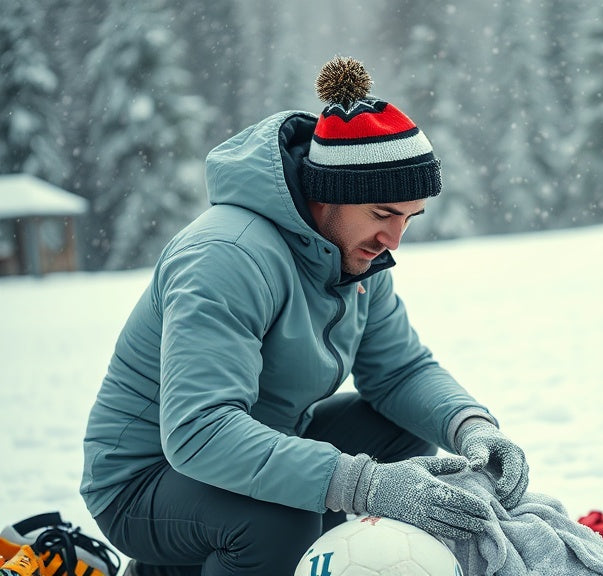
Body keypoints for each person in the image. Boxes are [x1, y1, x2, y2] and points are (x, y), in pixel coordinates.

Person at [80, 57, 529, 576]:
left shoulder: (357, 255)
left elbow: (401, 371)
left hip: (259, 442)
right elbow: (199, 430)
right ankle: (206, 556)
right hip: (147, 479)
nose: (393, 241)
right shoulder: (226, 255)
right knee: (279, 521)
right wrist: (366, 486)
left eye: (409, 218)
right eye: (383, 214)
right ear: (328, 195)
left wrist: (472, 428)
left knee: (400, 437)